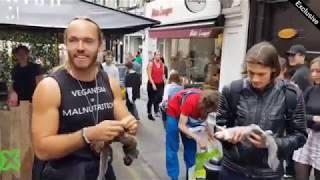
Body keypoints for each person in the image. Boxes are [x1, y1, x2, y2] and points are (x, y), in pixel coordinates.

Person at [31, 17, 138, 180]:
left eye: (88, 41)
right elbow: (42, 149)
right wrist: (88, 135)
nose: (80, 47)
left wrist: (128, 126)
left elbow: (126, 122)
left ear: (100, 45)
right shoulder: (50, 87)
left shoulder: (109, 83)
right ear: (66, 44)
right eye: (74, 40)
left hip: (102, 172)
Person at [216, 42, 307, 180]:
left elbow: (300, 136)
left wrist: (271, 143)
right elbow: (218, 127)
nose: (255, 79)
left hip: (269, 173)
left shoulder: (291, 94)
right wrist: (229, 136)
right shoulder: (232, 90)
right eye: (250, 73)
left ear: (274, 70)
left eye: (261, 74)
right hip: (233, 170)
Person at [166, 88, 219, 180]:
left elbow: (204, 120)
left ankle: (190, 177)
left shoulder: (206, 106)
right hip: (174, 113)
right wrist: (198, 138)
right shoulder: (192, 102)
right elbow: (181, 125)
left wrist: (210, 133)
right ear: (206, 106)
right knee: (172, 147)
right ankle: (174, 177)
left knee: (191, 150)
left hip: (188, 116)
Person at [285, 44, 311, 178]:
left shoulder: (301, 74)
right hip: (302, 118)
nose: (290, 57)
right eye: (289, 55)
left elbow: (296, 99)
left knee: (295, 156)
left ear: (302, 56)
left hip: (300, 118)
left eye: (293, 55)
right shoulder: (301, 72)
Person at [293, 57, 320, 180]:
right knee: (300, 175)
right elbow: (297, 113)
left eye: (318, 71)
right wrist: (313, 118)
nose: (314, 74)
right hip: (307, 136)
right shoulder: (310, 90)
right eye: (312, 71)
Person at [146, 51, 165, 120]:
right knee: (151, 99)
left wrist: (165, 82)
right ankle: (149, 113)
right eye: (157, 55)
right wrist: (153, 84)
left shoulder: (162, 64)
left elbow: (163, 74)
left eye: (159, 55)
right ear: (154, 56)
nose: (158, 56)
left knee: (159, 97)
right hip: (152, 84)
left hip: (160, 83)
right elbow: (149, 75)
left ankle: (156, 111)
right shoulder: (151, 64)